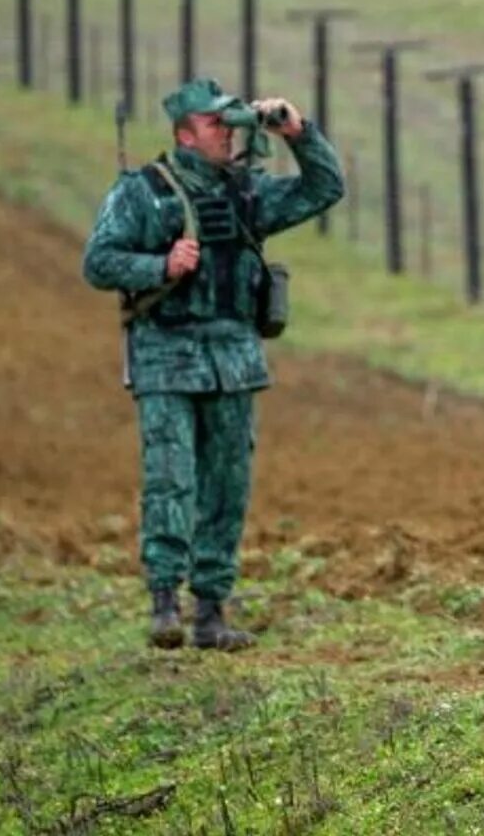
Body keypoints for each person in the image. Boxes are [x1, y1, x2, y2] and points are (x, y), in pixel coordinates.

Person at [82, 77, 344, 650]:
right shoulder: (143, 192)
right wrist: (159, 267)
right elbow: (98, 262)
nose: (225, 132)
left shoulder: (249, 193)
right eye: (212, 124)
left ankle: (211, 610)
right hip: (166, 356)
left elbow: (325, 189)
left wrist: (297, 131)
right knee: (170, 481)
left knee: (227, 486)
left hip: (234, 359)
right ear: (184, 134)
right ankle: (163, 604)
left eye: (230, 122)